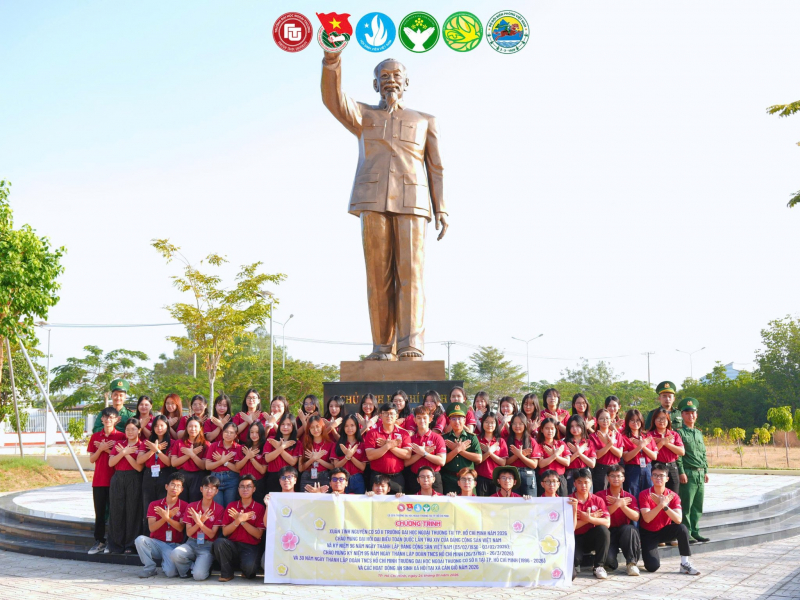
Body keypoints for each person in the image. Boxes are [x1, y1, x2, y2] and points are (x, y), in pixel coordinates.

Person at [321, 51, 447, 361]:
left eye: (396, 75)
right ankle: (381, 346)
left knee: (411, 275)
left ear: (407, 82)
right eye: (384, 76)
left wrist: (441, 207)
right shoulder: (363, 116)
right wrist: (332, 61)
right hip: (372, 198)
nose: (391, 80)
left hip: (413, 201)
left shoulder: (424, 120)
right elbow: (333, 99)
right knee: (378, 276)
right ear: (376, 84)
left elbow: (436, 167)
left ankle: (410, 345)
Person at [638, 462, 700, 575]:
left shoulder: (673, 496)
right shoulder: (645, 494)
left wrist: (665, 506)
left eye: (661, 475)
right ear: (651, 478)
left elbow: (678, 519)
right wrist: (660, 505)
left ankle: (685, 563)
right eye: (655, 475)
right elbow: (647, 518)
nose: (658, 478)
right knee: (652, 567)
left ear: (667, 479)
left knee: (682, 528)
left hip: (664, 531)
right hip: (648, 533)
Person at [213, 474, 266, 582]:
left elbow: (258, 534)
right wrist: (237, 520)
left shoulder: (259, 508)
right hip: (232, 545)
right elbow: (225, 532)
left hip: (250, 546)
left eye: (248, 486)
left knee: (250, 570)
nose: (245, 489)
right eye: (242, 486)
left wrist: (242, 521)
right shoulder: (231, 506)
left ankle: (244, 569)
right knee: (219, 542)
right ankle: (227, 573)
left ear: (254, 489)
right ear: (238, 489)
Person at [134, 472, 187, 578]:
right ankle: (150, 568)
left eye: (178, 486)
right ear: (166, 486)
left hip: (173, 545)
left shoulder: (184, 505)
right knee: (140, 540)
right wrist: (165, 518)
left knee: (171, 573)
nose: (175, 488)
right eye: (172, 484)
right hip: (157, 543)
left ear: (181, 490)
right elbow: (152, 528)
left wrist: (167, 518)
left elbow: (180, 528)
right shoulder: (154, 505)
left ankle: (166, 562)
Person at [87, 407, 124, 554]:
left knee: (115, 512)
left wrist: (107, 450)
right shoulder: (96, 436)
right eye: (106, 417)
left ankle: (113, 541)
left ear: (117, 419)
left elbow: (121, 458)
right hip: (99, 480)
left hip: (115, 480)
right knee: (100, 512)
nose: (108, 420)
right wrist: (100, 449)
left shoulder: (121, 436)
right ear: (102, 419)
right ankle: (100, 541)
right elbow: (91, 459)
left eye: (111, 417)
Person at [172, 475, 223, 580]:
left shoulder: (219, 509)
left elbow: (212, 534)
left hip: (207, 546)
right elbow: (189, 533)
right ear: (201, 489)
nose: (209, 491)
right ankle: (191, 567)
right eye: (206, 487)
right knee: (175, 553)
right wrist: (200, 522)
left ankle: (202, 567)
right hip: (191, 543)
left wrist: (199, 521)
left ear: (216, 491)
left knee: (199, 576)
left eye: (212, 488)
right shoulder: (191, 506)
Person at [595, 464, 641, 576]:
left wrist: (623, 506)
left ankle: (631, 564)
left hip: (624, 532)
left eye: (619, 476)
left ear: (623, 478)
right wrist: (616, 505)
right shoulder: (599, 496)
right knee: (610, 563)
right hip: (608, 532)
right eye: (612, 476)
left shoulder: (629, 497)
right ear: (607, 478)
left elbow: (636, 517)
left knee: (630, 529)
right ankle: (609, 563)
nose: (616, 479)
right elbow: (599, 516)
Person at [107, 418, 144, 554]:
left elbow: (139, 467)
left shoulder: (142, 445)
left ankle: (130, 545)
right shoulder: (119, 444)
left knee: (133, 511)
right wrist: (123, 452)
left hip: (134, 478)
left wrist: (126, 454)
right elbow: (111, 463)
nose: (130, 432)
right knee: (117, 511)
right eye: (127, 429)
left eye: (133, 429)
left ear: (139, 430)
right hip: (118, 477)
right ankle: (116, 544)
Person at [676, 397, 710, 543]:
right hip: (688, 473)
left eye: (693, 413)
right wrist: (681, 471)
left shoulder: (698, 433)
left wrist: (706, 470)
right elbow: (678, 455)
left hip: (700, 473)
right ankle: (687, 533)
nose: (691, 416)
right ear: (682, 415)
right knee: (687, 506)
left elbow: (703, 453)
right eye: (687, 413)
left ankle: (696, 531)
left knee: (697, 505)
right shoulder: (679, 433)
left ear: (696, 414)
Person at [137, 414, 176, 532]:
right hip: (149, 475)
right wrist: (152, 450)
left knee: (163, 507)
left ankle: (162, 537)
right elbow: (139, 460)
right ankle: (147, 536)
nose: (159, 428)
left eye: (162, 425)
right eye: (156, 426)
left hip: (164, 475)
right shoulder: (146, 442)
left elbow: (169, 462)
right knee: (148, 507)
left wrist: (157, 450)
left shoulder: (172, 443)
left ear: (167, 426)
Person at [570, 468, 611, 580]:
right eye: (580, 482)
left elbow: (607, 522)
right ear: (574, 484)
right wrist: (589, 518)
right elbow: (570, 527)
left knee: (603, 530)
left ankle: (599, 567)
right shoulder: (569, 501)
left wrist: (589, 518)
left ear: (591, 483)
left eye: (586, 482)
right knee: (575, 560)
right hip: (575, 537)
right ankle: (575, 565)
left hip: (591, 536)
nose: (583, 485)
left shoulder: (598, 500)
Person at [364, 403, 412, 492]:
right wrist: (388, 445)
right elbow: (370, 456)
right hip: (377, 476)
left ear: (396, 416)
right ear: (380, 415)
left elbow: (407, 455)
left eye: (392, 414)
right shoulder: (372, 433)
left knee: (398, 501)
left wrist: (389, 446)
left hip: (396, 478)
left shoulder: (404, 433)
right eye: (385, 413)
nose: (389, 416)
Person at [441, 403, 482, 495]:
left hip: (468, 480)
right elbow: (443, 461)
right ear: (449, 421)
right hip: (449, 479)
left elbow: (479, 458)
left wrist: (459, 450)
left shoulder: (471, 437)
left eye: (459, 418)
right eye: (453, 419)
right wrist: (457, 450)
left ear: (464, 420)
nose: (457, 421)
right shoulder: (444, 438)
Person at [404, 406, 446, 494]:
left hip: (433, 478)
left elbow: (442, 461)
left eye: (424, 418)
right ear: (415, 420)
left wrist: (424, 453)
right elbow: (405, 463)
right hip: (415, 478)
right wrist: (420, 453)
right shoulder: (410, 439)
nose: (422, 420)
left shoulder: (437, 438)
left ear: (430, 419)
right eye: (419, 418)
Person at [620, 409, 658, 500]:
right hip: (632, 469)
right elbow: (626, 458)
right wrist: (639, 447)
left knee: (648, 496)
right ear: (627, 422)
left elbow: (654, 456)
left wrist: (642, 446)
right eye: (632, 420)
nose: (635, 423)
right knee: (632, 496)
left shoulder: (647, 436)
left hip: (647, 468)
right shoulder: (624, 437)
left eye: (638, 420)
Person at [170, 415, 208, 503]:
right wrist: (190, 454)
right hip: (182, 475)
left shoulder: (205, 444)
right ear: (186, 428)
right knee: (181, 503)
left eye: (195, 426)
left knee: (195, 503)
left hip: (198, 476)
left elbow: (203, 466)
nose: (193, 429)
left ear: (200, 428)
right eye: (190, 426)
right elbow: (174, 463)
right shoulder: (179, 443)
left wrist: (192, 454)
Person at [647, 407, 685, 495]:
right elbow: (650, 453)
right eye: (658, 418)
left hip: (672, 467)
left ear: (668, 420)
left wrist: (665, 443)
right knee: (657, 494)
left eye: (664, 418)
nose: (661, 421)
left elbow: (681, 452)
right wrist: (662, 442)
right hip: (657, 466)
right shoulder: (650, 435)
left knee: (673, 494)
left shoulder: (674, 434)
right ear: (654, 420)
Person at [205, 422, 242, 507]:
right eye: (226, 432)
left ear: (235, 435)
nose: (228, 434)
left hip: (232, 479)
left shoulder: (239, 448)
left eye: (231, 432)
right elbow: (207, 466)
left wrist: (225, 462)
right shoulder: (214, 446)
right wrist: (221, 461)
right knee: (218, 507)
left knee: (230, 506)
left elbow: (238, 469)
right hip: (215, 478)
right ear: (222, 432)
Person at [504, 413, 540, 497]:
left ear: (525, 425)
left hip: (528, 474)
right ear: (511, 425)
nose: (517, 426)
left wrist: (520, 455)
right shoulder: (506, 440)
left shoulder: (531, 441)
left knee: (530, 502)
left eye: (520, 423)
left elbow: (534, 465)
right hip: (512, 474)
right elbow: (505, 462)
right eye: (514, 423)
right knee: (513, 502)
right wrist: (519, 454)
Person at [589, 408, 624, 492]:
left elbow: (619, 454)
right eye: (602, 418)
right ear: (597, 421)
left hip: (615, 467)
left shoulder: (617, 435)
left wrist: (608, 443)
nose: (605, 421)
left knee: (615, 493)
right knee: (600, 493)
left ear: (611, 420)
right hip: (600, 469)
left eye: (607, 418)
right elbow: (597, 455)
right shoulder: (593, 436)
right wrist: (609, 444)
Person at [264, 413, 301, 493]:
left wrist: (279, 447)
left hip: (289, 478)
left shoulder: (297, 443)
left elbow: (292, 461)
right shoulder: (271, 440)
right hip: (273, 476)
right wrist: (282, 447)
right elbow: (267, 458)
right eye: (283, 424)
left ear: (293, 426)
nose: (285, 427)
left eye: (288, 425)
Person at [331, 414, 367, 494]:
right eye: (346, 426)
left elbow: (362, 467)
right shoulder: (338, 444)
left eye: (352, 425)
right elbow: (336, 466)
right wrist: (346, 457)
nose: (349, 428)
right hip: (341, 480)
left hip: (358, 479)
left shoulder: (362, 445)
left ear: (357, 427)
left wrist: (350, 456)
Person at [476, 411, 508, 497]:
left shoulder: (500, 441)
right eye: (486, 422)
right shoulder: (477, 439)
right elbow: (476, 461)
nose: (489, 425)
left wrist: (490, 452)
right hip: (481, 478)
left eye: (492, 422)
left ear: (496, 424)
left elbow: (503, 462)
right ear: (482, 423)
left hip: (497, 479)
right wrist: (489, 452)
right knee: (482, 504)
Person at [299, 415, 334, 490]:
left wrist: (318, 459)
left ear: (322, 427)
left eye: (318, 426)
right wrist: (312, 459)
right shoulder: (304, 444)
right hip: (307, 477)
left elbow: (333, 467)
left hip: (325, 476)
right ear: (309, 429)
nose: (315, 429)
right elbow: (300, 468)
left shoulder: (330, 444)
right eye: (312, 427)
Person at [536, 417, 569, 497]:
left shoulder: (561, 444)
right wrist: (555, 455)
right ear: (542, 430)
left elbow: (567, 462)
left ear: (556, 430)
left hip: (559, 478)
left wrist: (553, 455)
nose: (550, 431)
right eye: (547, 428)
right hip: (545, 480)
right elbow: (541, 464)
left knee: (561, 502)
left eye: (552, 428)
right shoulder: (539, 445)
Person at [236, 422, 268, 503]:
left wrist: (251, 458)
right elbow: (237, 467)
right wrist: (247, 457)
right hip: (243, 483)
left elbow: (262, 470)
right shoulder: (242, 448)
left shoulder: (265, 447)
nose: (254, 435)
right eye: (252, 432)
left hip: (258, 483)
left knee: (258, 506)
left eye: (257, 432)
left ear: (261, 433)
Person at [564, 415, 596, 493]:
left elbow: (592, 464)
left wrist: (579, 453)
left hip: (585, 472)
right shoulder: (565, 442)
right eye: (572, 426)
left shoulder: (589, 442)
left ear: (582, 426)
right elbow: (566, 463)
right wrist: (577, 453)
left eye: (577, 426)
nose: (574, 429)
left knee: (587, 497)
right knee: (572, 497)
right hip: (571, 474)